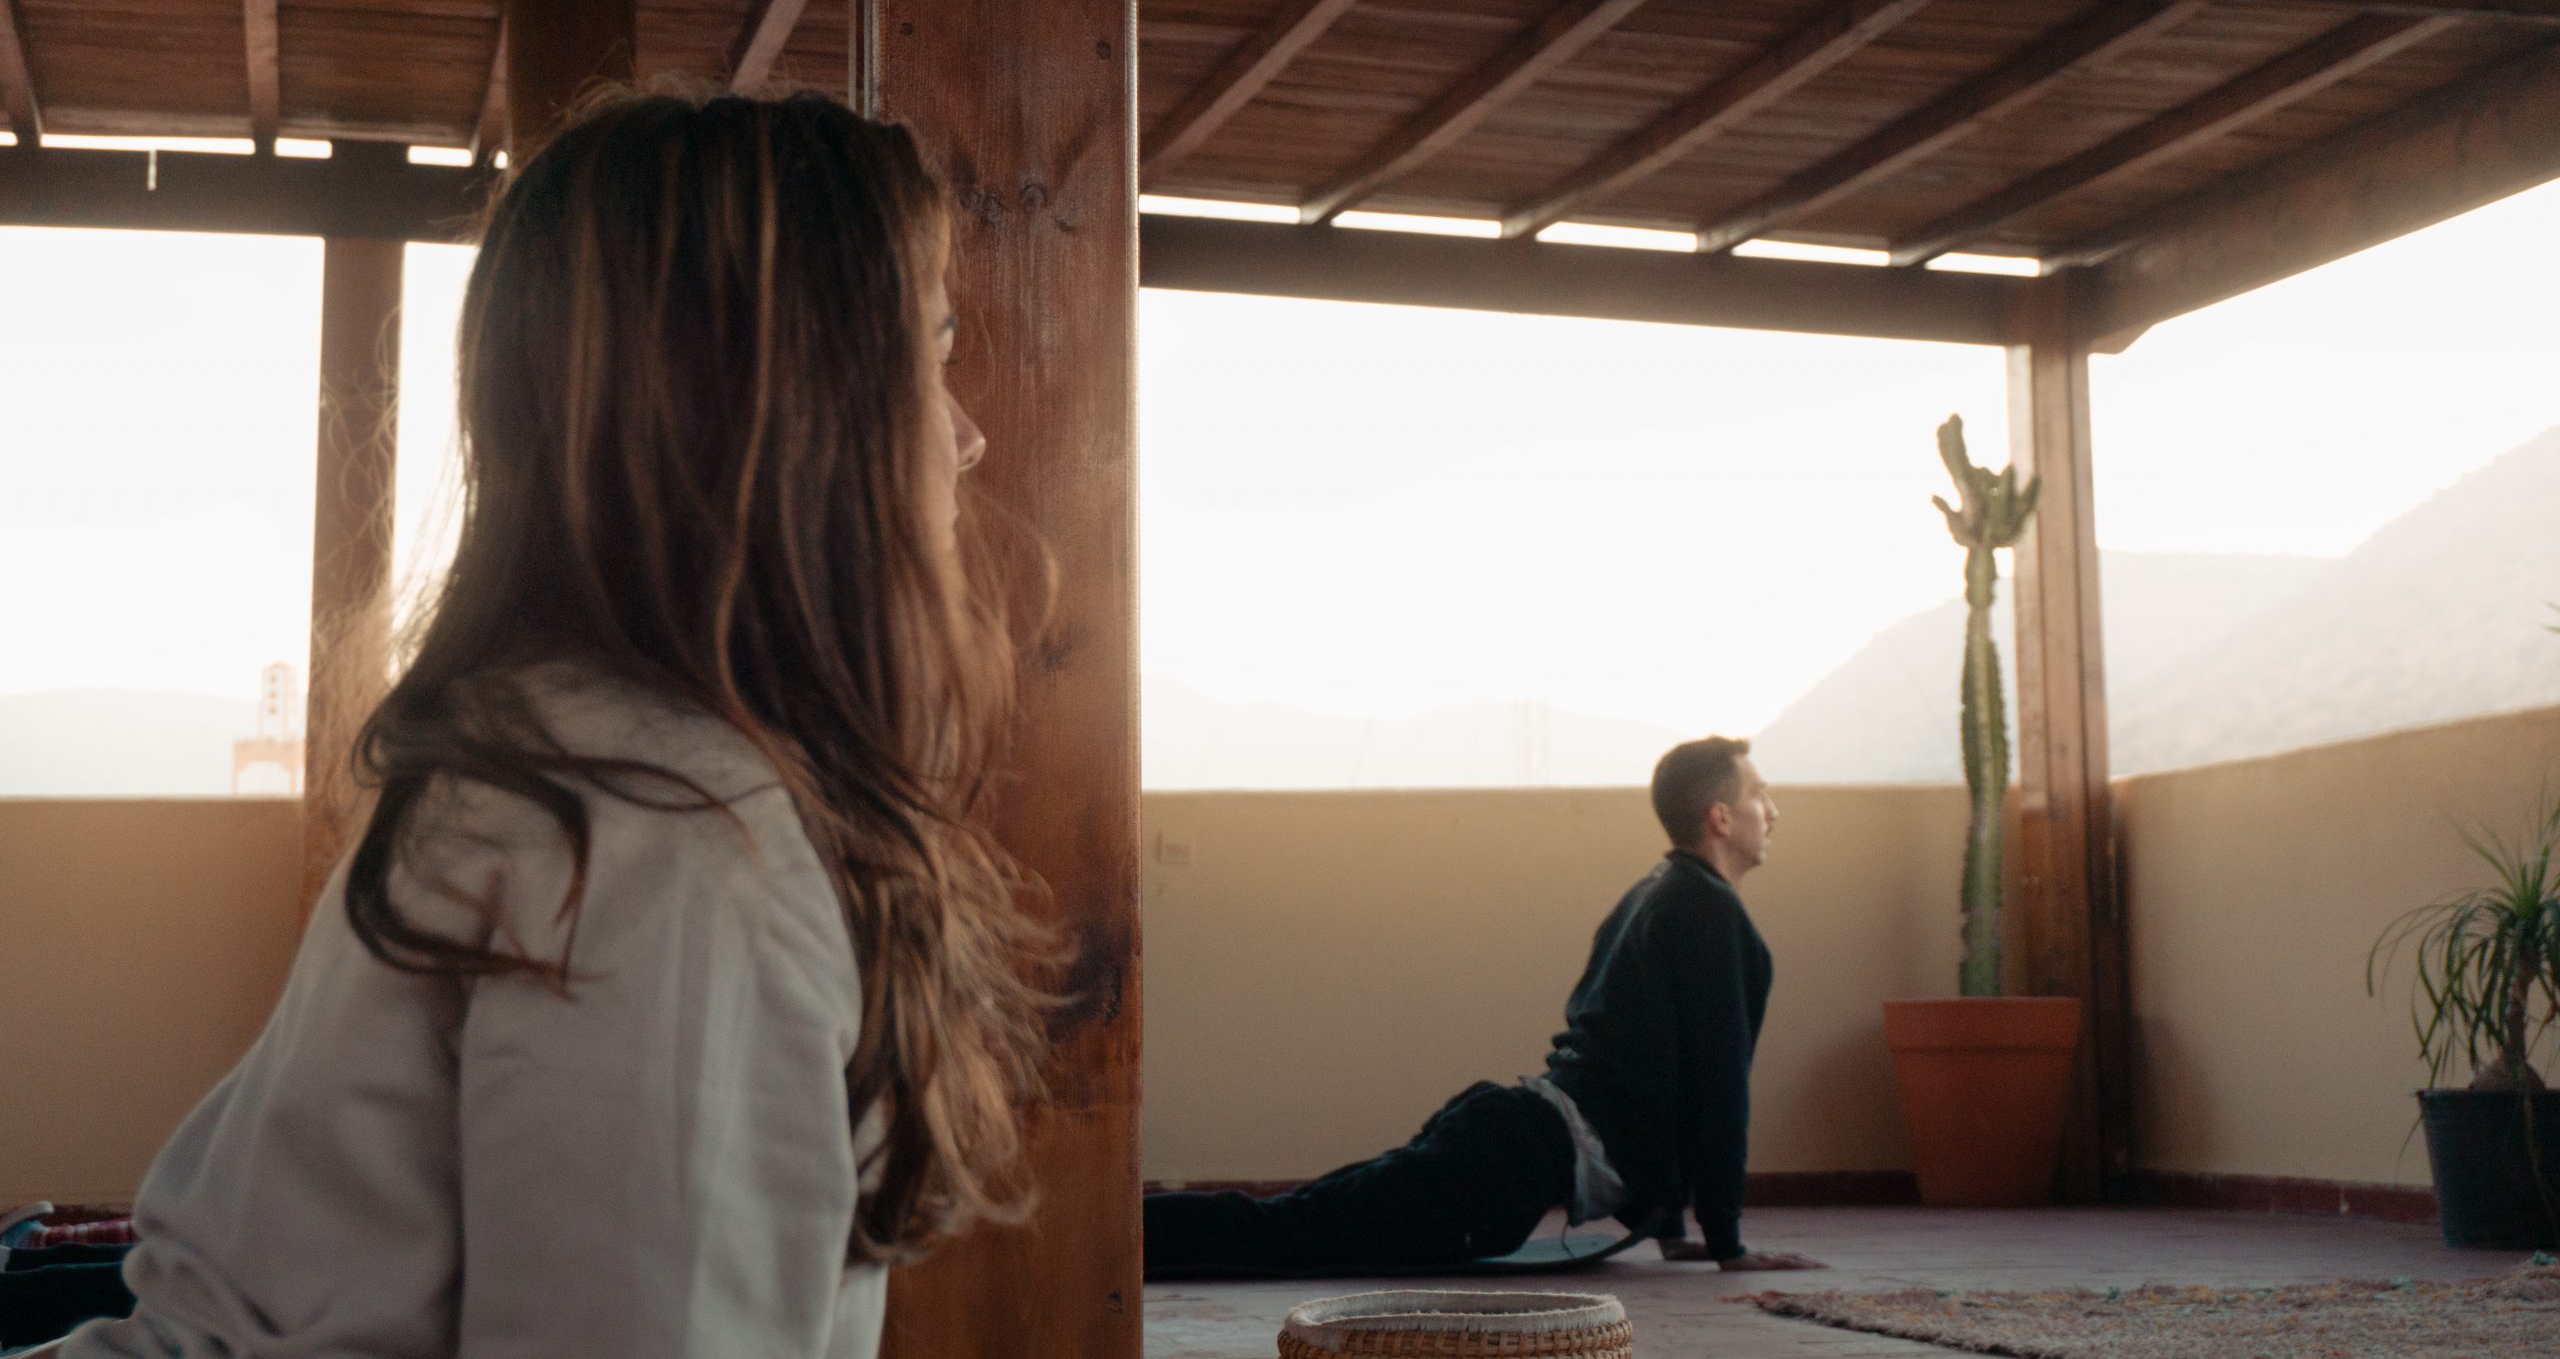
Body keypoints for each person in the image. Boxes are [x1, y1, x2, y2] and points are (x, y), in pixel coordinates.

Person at [26, 92, 1056, 1359]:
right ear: (785, 421)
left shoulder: (599, 778)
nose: (965, 433)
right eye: (931, 353)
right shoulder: (672, 842)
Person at [1144, 737, 1822, 1279]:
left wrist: (1674, 1233)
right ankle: (1106, 1234)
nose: (1774, 810)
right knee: (1289, 1233)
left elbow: (1645, 1061)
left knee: (1297, 1221)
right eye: (1760, 795)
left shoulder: (1653, 895)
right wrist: (1728, 1242)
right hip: (1510, 1158)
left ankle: (1113, 1225)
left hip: (1509, 1136)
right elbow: (1717, 1083)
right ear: (1721, 816)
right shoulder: (1708, 911)